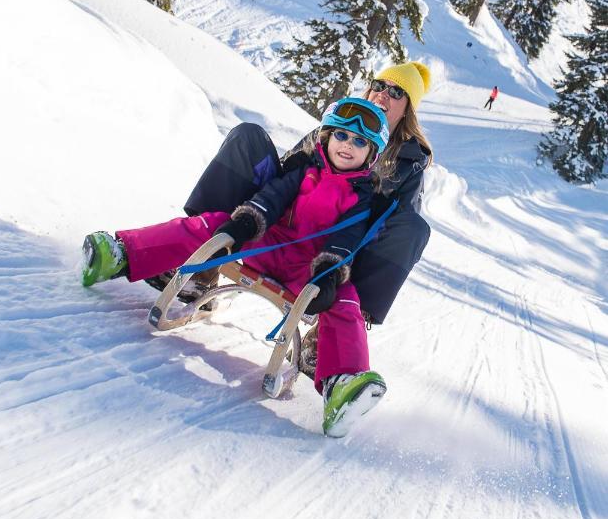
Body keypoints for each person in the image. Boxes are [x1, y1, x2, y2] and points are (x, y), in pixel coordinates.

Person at [81, 98, 392, 438]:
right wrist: (244, 223)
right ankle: (122, 253)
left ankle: (342, 385)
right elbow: (271, 198)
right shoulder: (305, 171)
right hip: (266, 246)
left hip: (304, 273)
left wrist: (329, 276)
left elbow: (345, 241)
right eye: (343, 136)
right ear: (327, 137)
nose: (348, 145)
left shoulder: (361, 199)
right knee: (211, 224)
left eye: (360, 142)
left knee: (346, 297)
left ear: (372, 154)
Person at [181, 60, 433, 327]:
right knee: (247, 137)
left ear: (408, 110)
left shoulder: (409, 163)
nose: (383, 94)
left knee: (413, 229)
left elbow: (396, 232)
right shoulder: (340, 125)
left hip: (336, 258)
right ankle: (203, 258)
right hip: (282, 232)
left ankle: (340, 324)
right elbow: (288, 174)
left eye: (396, 92)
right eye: (379, 85)